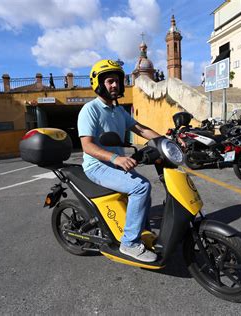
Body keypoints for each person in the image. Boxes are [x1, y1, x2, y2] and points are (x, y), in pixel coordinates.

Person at [77, 59, 160, 262]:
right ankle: (129, 243)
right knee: (141, 187)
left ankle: (143, 231)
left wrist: (166, 141)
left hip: (114, 164)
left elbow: (140, 129)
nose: (114, 85)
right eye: (109, 81)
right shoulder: (90, 110)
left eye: (117, 81)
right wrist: (116, 158)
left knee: (144, 191)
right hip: (97, 166)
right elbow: (87, 145)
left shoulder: (119, 111)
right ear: (98, 84)